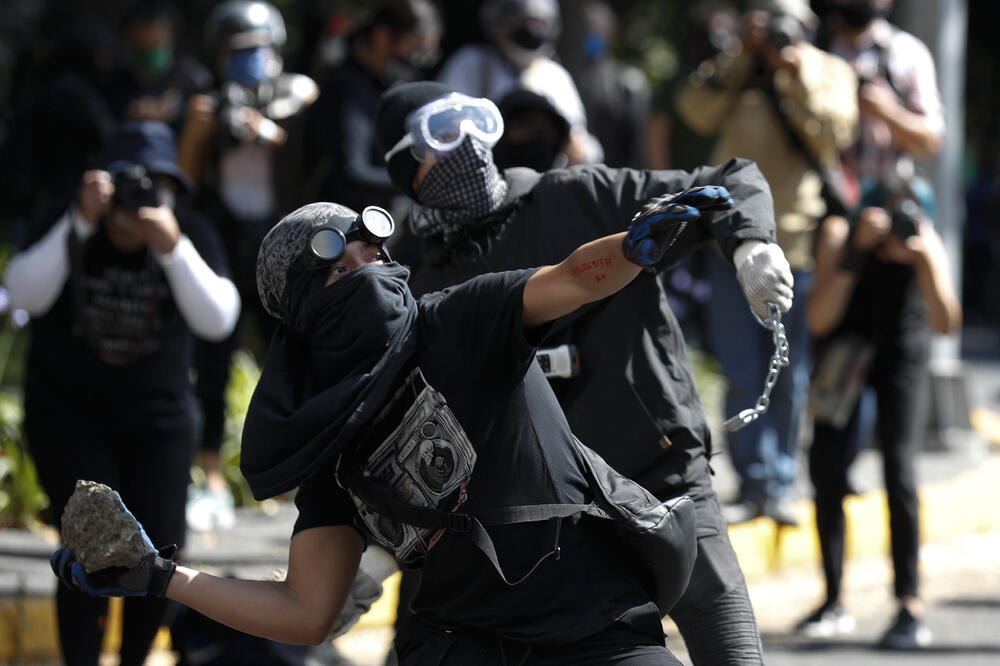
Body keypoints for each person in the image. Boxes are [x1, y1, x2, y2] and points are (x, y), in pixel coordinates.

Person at [51, 196, 726, 665]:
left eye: (372, 258)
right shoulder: (323, 439)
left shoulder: (457, 322)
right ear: (305, 315)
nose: (366, 278)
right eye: (339, 274)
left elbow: (573, 277)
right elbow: (306, 610)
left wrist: (639, 245)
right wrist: (160, 577)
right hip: (467, 644)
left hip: (598, 628)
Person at [376, 80, 795, 664]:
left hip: (657, 467)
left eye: (476, 123)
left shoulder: (581, 197)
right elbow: (411, 419)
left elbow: (730, 181)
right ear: (404, 167)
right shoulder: (415, 280)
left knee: (725, 635)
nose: (468, 146)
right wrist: (372, 552)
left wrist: (751, 245)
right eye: (442, 135)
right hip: (547, 517)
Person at [3, 120, 239, 666]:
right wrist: (79, 225)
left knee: (159, 553)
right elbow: (22, 295)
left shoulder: (189, 233)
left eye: (156, 188)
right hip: (70, 414)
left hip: (158, 419)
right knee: (90, 547)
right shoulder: (68, 223)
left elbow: (218, 321)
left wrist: (172, 247)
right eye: (128, 187)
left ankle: (134, 659)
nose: (140, 203)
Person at [675, 0, 859, 526]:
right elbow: (694, 111)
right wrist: (739, 61)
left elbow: (835, 135)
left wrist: (796, 72)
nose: (779, 36)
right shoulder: (736, 68)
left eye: (789, 27)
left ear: (807, 29)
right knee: (741, 367)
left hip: (796, 242)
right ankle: (752, 482)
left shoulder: (830, 72)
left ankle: (779, 483)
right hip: (730, 242)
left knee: (789, 370)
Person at [797, 175, 961, 648]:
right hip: (844, 351)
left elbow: (947, 323)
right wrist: (857, 251)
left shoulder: (924, 241)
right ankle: (832, 600)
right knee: (827, 468)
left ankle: (909, 604)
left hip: (900, 356)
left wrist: (925, 257)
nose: (899, 226)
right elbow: (819, 318)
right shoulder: (839, 234)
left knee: (900, 470)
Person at [177, 0, 319, 527]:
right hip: (228, 241)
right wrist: (199, 129)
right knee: (212, 362)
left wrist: (265, 125)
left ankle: (311, 475)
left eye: (255, 50)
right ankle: (210, 479)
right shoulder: (211, 106)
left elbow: (300, 114)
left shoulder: (295, 93)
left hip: (287, 244)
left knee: (299, 356)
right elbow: (186, 182)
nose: (247, 62)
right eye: (235, 53)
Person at [303, 0, 442, 213]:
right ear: (382, 37)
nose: (416, 62)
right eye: (414, 50)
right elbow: (351, 173)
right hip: (337, 230)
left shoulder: (381, 85)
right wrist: (420, 182)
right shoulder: (346, 87)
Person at [436, 0, 602, 165]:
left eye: (539, 23)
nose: (530, 30)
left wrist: (578, 148)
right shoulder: (473, 64)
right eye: (520, 21)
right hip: (484, 175)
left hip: (542, 182)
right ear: (499, 22)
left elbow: (583, 144)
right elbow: (444, 126)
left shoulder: (553, 75)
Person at [104, 1, 214, 130]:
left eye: (155, 44)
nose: (148, 51)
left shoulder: (194, 79)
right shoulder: (113, 83)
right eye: (141, 44)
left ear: (172, 37)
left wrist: (174, 113)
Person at [574, 0, 651, 169]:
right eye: (586, 28)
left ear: (611, 32)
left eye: (595, 28)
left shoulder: (628, 82)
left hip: (614, 178)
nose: (590, 33)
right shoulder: (567, 77)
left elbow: (638, 147)